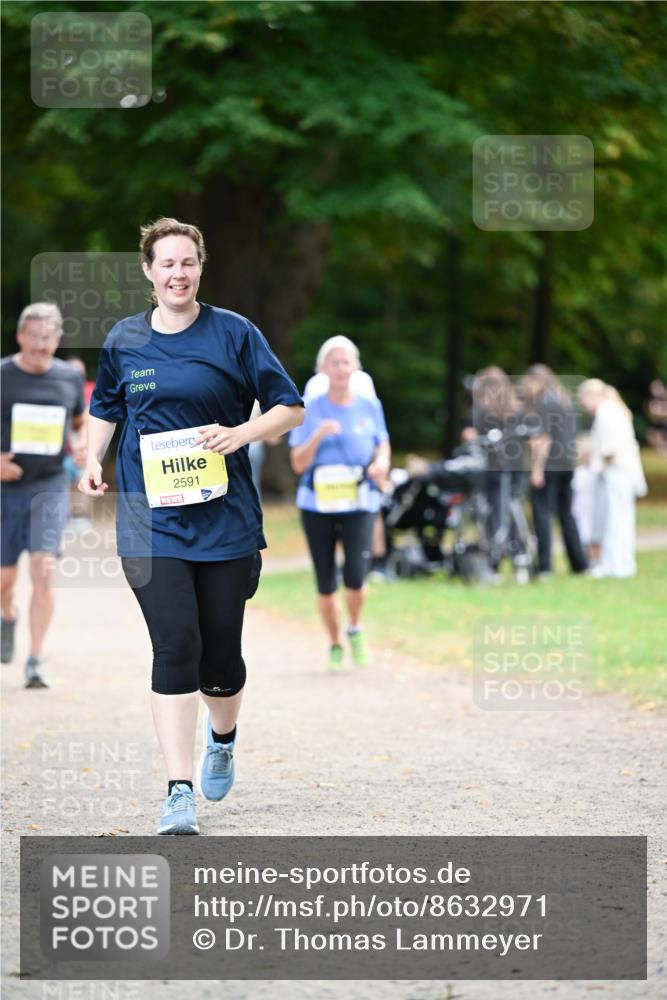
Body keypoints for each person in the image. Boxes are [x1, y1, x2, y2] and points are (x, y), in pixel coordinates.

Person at [79, 217, 304, 835]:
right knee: (176, 645)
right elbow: (106, 408)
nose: (178, 274)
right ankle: (178, 789)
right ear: (149, 272)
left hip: (224, 522)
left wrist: (241, 434)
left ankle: (223, 737)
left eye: (188, 263)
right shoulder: (125, 339)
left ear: (200, 267)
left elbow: (290, 407)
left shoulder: (235, 333)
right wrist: (91, 461)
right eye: (166, 264)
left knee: (220, 661)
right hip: (150, 522)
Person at [289, 335, 391, 669]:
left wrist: (381, 463)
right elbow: (298, 463)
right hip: (316, 502)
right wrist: (318, 434)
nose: (341, 368)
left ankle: (355, 627)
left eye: (347, 362)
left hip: (359, 500)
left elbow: (383, 445)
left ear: (356, 367)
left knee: (355, 576)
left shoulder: (368, 405)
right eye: (334, 362)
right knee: (325, 579)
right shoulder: (309, 408)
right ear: (323, 369)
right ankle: (334, 643)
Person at [1, 303, 86, 687]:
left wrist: (84, 447)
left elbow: (81, 424)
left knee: (44, 568)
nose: (39, 344)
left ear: (57, 339)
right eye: (33, 336)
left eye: (47, 337)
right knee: (3, 580)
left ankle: (35, 659)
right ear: (20, 336)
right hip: (4, 488)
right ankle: (7, 614)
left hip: (48, 485)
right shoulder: (3, 375)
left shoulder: (68, 378)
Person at [519, 364, 588, 577]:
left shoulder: (543, 403)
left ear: (537, 381)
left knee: (542, 515)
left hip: (550, 466)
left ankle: (545, 566)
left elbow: (543, 439)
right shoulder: (564, 401)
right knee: (567, 515)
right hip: (567, 465)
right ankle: (580, 564)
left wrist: (536, 470)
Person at [578, 379, 647, 578]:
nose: (583, 404)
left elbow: (608, 448)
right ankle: (623, 563)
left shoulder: (605, 412)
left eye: (583, 398)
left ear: (592, 395)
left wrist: (595, 465)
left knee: (613, 519)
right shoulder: (615, 410)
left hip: (615, 472)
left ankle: (613, 565)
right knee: (622, 519)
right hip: (623, 472)